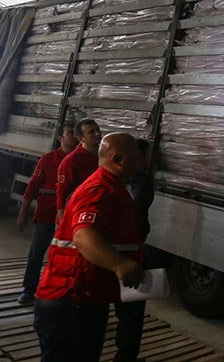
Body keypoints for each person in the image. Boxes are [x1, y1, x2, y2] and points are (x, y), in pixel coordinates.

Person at [34, 133, 145, 362]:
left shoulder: (112, 186)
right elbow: (84, 236)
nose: (141, 162)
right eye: (136, 157)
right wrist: (120, 263)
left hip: (88, 296)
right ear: (118, 160)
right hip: (71, 299)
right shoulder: (99, 189)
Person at [15, 124, 78, 305]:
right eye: (69, 134)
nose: (73, 137)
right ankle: (29, 289)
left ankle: (59, 292)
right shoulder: (48, 160)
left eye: (75, 134)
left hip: (69, 215)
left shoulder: (81, 160)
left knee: (65, 256)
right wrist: (23, 213)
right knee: (36, 252)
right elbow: (32, 187)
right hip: (46, 213)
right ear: (61, 138)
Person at [113, 138, 154, 362]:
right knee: (131, 312)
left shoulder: (117, 180)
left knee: (125, 310)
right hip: (130, 253)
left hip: (122, 250)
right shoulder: (141, 181)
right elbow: (136, 214)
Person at [56, 118, 103, 223]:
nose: (97, 134)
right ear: (80, 138)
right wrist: (63, 220)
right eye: (91, 132)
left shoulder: (105, 156)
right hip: (75, 213)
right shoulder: (71, 161)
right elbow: (62, 192)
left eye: (98, 130)